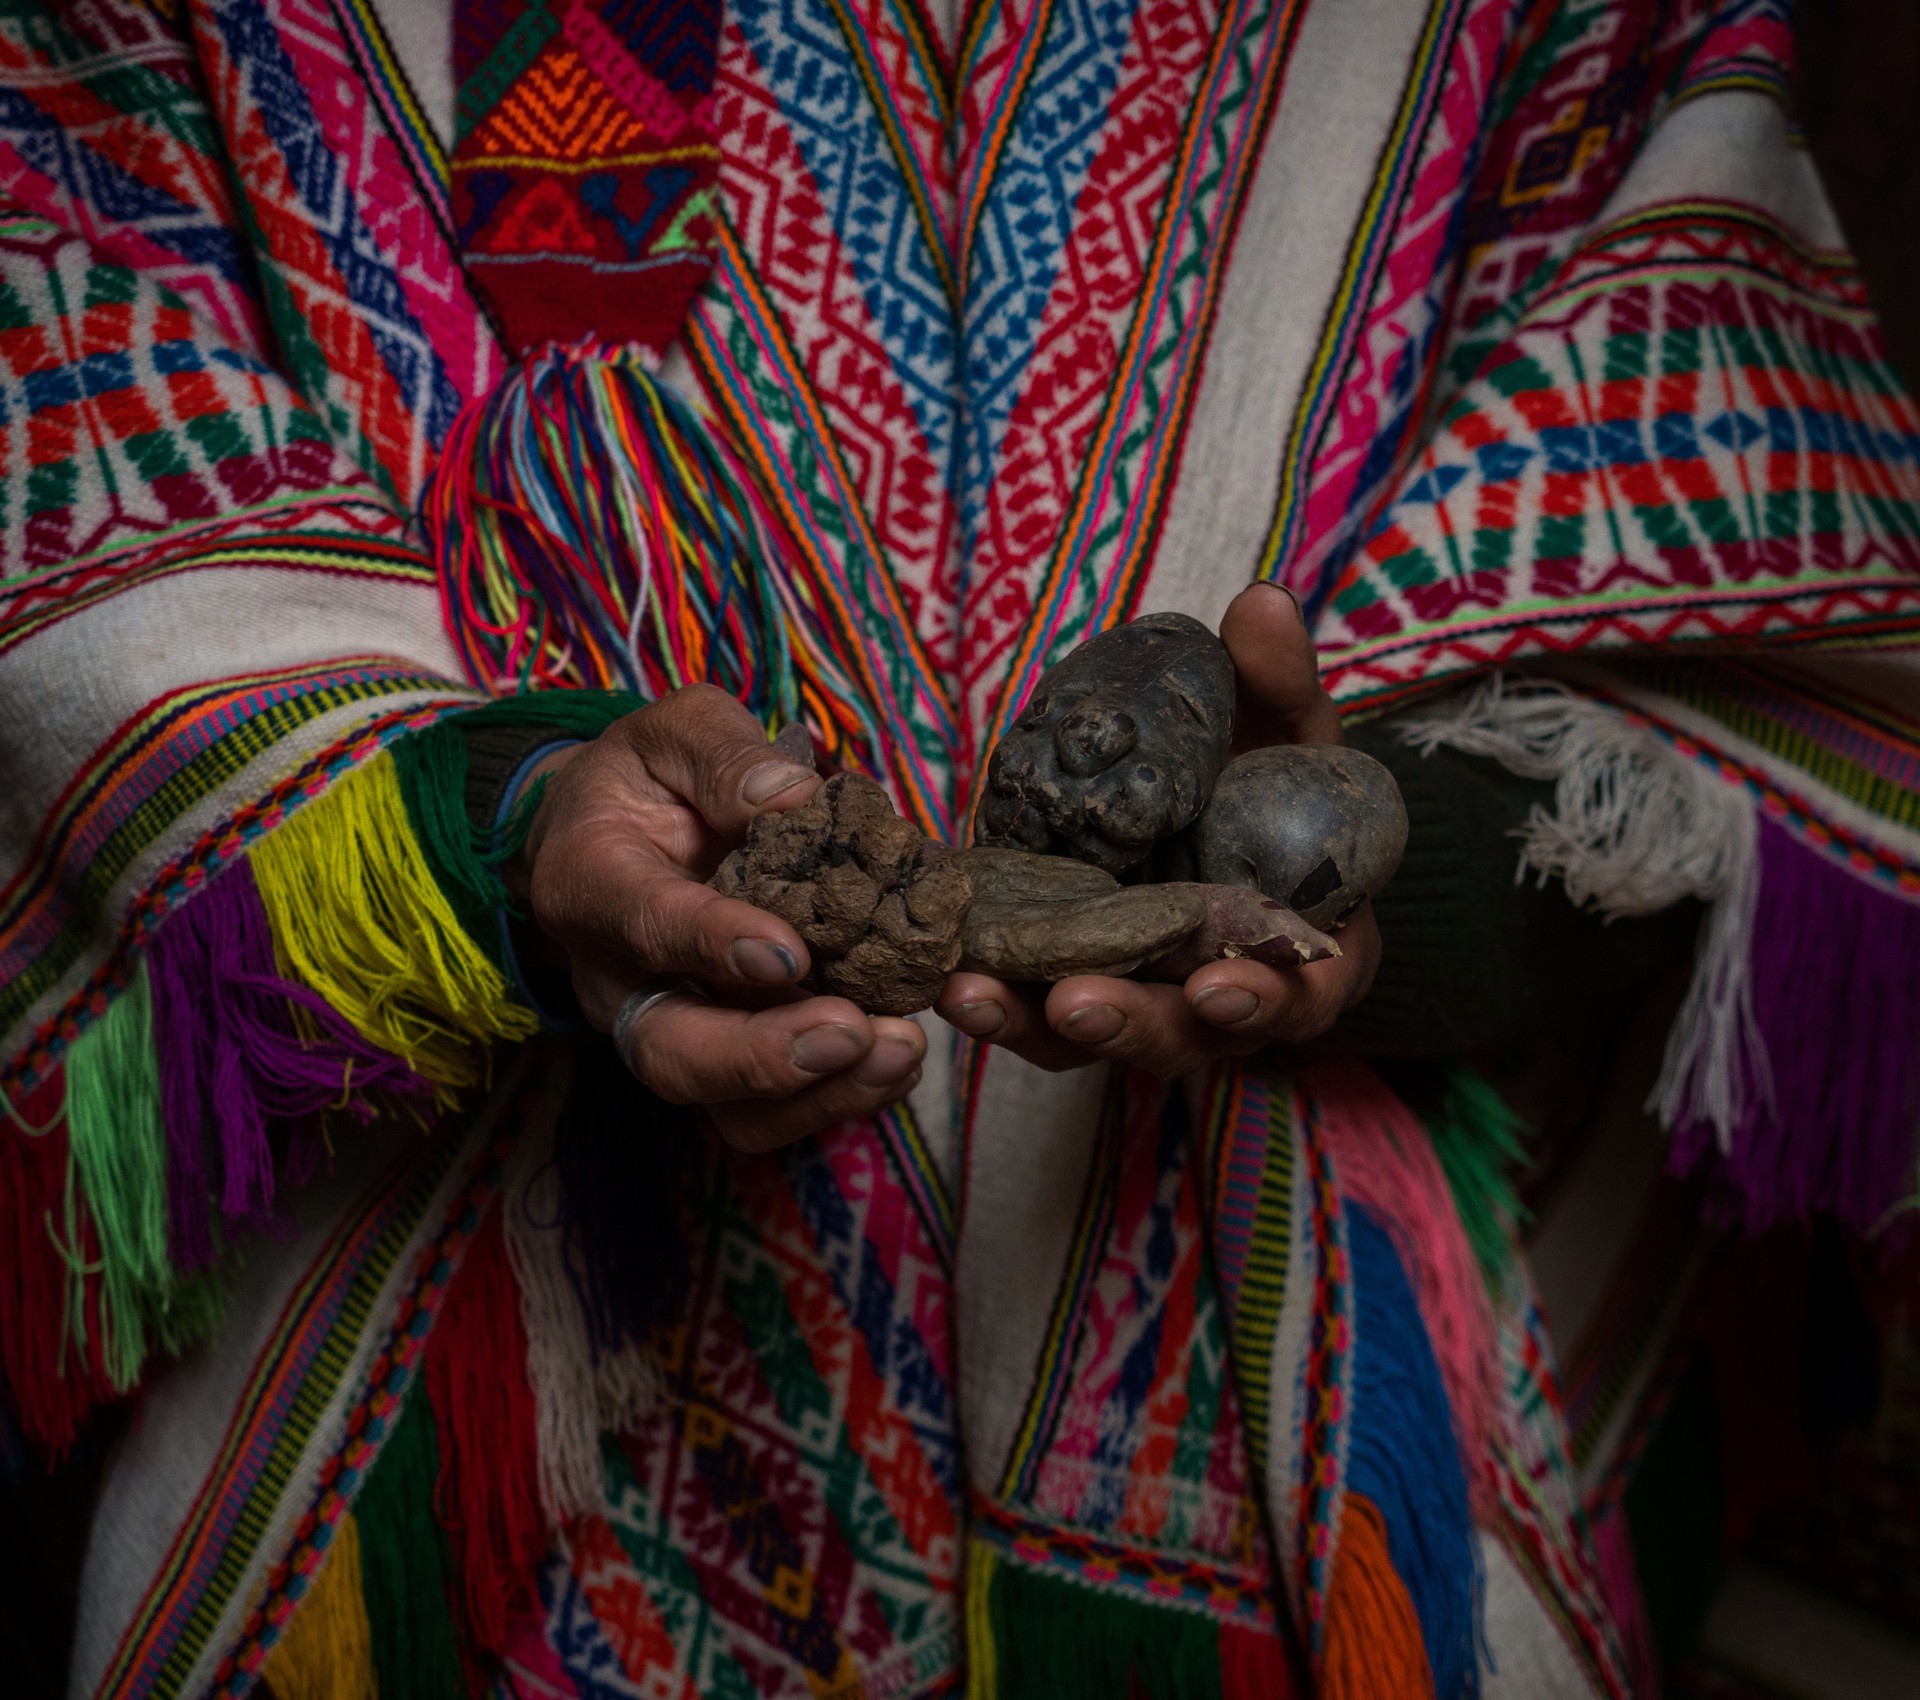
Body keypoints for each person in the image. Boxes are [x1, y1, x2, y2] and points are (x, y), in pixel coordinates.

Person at [4, 1, 1919, 1697]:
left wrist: (1388, 886)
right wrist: (501, 822)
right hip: (483, 1473)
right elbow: (77, 517)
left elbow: (1733, 693)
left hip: (1299, 1487)